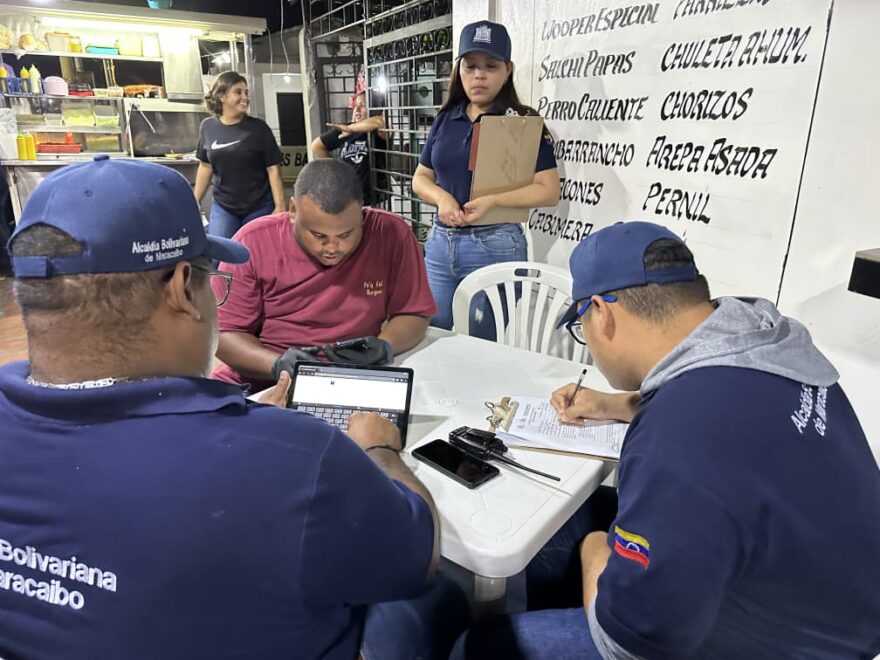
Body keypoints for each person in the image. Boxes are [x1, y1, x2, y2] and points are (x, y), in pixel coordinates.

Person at [0, 156, 467, 659]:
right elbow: (416, 553)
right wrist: (379, 450)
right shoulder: (296, 459)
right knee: (443, 600)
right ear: (182, 288)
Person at [453, 221, 880, 659]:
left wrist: (595, 550)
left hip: (779, 646)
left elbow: (627, 644)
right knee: (570, 521)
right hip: (835, 607)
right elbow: (721, 422)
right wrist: (613, 404)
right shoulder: (769, 346)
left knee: (480, 646)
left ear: (601, 312)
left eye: (581, 326)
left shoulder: (679, 437)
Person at [212, 158, 436, 392]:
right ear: (293, 211)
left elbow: (414, 312)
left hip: (352, 379)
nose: (332, 248)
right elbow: (222, 334)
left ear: (361, 213)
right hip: (263, 382)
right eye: (318, 235)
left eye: (345, 235)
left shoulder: (390, 233)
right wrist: (276, 365)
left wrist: (384, 346)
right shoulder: (252, 243)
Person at [412, 20, 560, 338]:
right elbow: (421, 178)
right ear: (459, 70)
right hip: (440, 244)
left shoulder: (522, 121)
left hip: (496, 244)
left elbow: (548, 190)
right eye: (470, 66)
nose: (479, 75)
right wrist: (441, 198)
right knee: (430, 333)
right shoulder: (445, 119)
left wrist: (493, 200)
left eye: (490, 66)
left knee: (483, 340)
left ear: (507, 70)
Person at [194, 71, 285, 239]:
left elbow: (273, 168)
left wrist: (280, 206)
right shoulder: (208, 127)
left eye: (246, 93)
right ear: (222, 96)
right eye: (238, 92)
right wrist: (195, 200)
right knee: (221, 252)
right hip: (224, 207)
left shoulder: (259, 128)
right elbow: (205, 166)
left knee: (254, 251)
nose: (245, 97)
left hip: (259, 206)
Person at [311, 89, 389, 206]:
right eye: (355, 105)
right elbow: (317, 146)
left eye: (363, 105)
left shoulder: (379, 131)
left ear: (376, 110)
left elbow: (380, 121)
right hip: (349, 201)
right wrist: (334, 173)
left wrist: (351, 129)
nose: (357, 109)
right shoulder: (345, 129)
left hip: (376, 201)